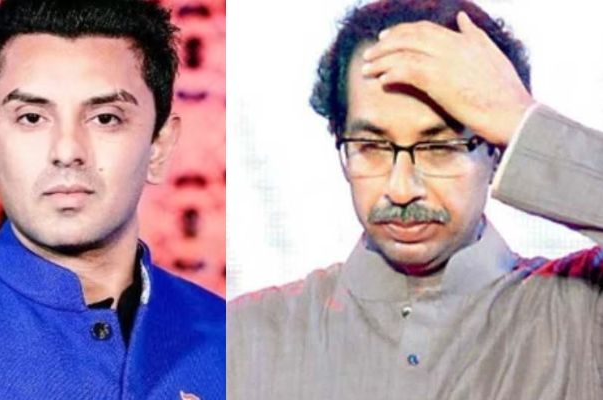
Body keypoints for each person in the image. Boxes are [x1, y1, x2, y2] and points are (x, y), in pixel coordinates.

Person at [227, 0, 603, 398]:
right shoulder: (247, 337)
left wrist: (518, 118)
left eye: (439, 147)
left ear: (497, 152)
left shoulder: (582, 317)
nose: (402, 189)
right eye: (371, 146)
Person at [0, 0, 224, 399]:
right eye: (32, 118)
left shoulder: (233, 341)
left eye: (105, 118)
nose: (67, 150)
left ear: (159, 147)